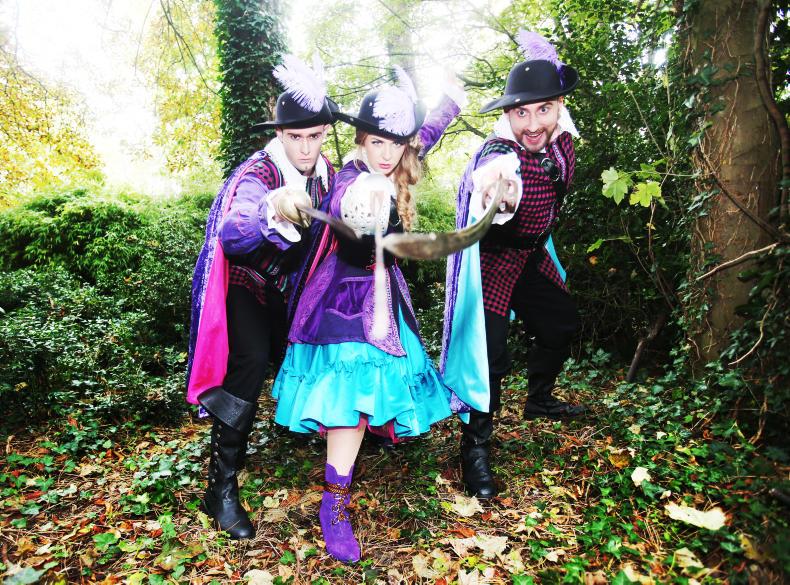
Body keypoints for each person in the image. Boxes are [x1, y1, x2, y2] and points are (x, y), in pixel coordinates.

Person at [271, 67, 467, 562]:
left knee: (365, 401)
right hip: (343, 303)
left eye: (394, 144)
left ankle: (339, 494)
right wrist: (367, 212)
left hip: (382, 300)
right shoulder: (353, 182)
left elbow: (419, 138)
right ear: (361, 139)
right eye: (377, 142)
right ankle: (333, 506)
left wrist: (447, 105)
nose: (386, 154)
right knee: (350, 403)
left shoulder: (395, 157)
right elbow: (352, 228)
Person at [185, 55, 337, 540]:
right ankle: (221, 488)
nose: (306, 147)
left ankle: (350, 433)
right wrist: (273, 209)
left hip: (292, 292)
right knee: (249, 361)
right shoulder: (260, 172)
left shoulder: (327, 172)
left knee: (331, 339)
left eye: (315, 136)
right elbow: (235, 230)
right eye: (296, 137)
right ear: (280, 134)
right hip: (247, 283)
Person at [441, 31, 585, 500]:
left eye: (543, 109)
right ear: (507, 115)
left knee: (561, 323)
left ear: (559, 107)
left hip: (533, 255)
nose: (532, 124)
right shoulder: (499, 150)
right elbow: (495, 173)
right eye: (521, 112)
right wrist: (497, 192)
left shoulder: (563, 142)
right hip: (493, 263)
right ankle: (475, 450)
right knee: (490, 357)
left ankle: (539, 399)